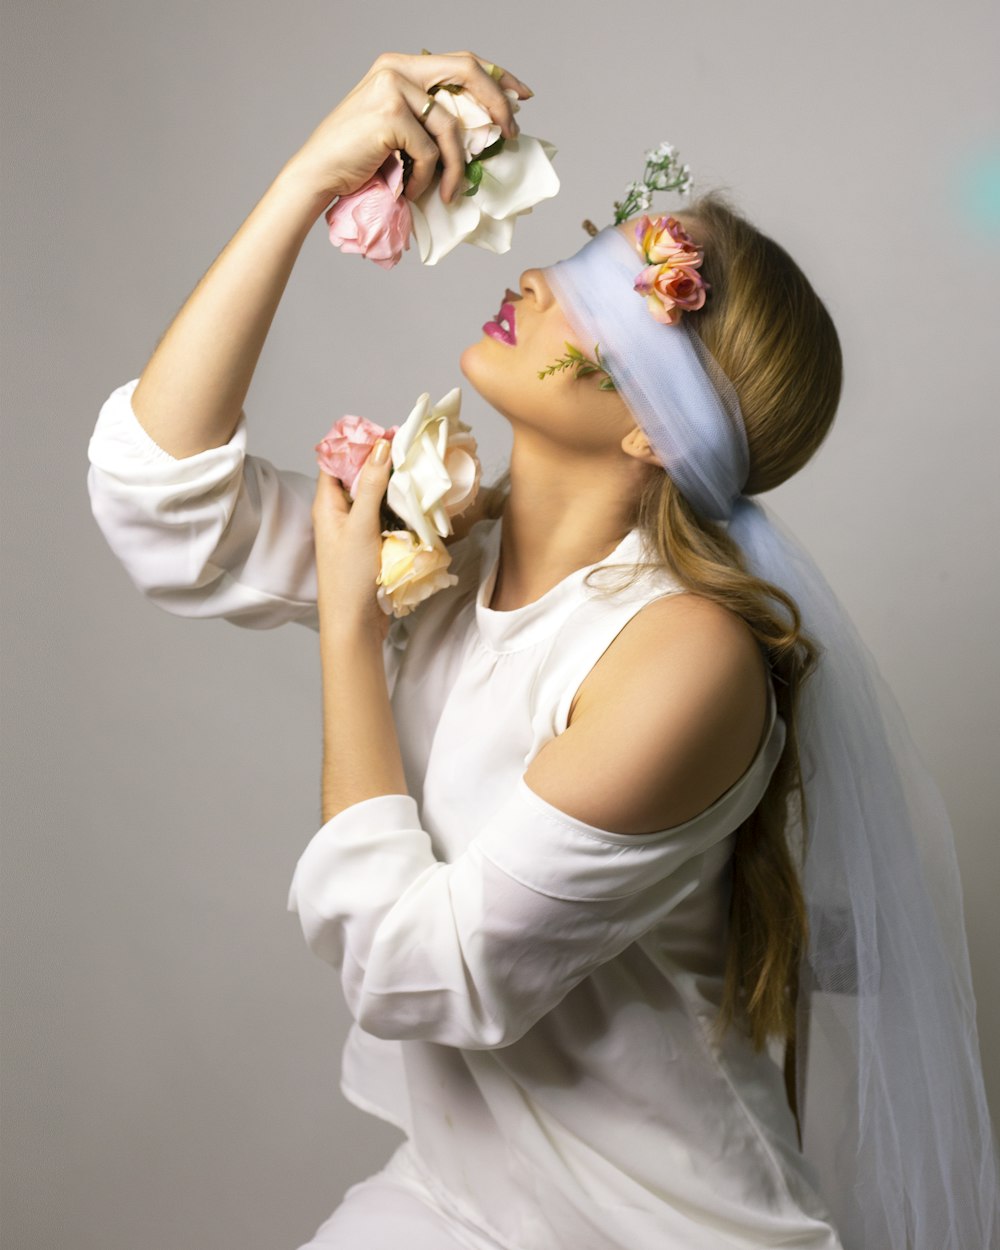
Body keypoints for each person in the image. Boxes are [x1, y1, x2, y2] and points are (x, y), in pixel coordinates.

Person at [87, 50, 998, 1250]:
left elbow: (422, 973)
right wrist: (311, 179)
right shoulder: (450, 542)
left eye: (612, 295)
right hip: (458, 1196)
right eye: (577, 257)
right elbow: (163, 503)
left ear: (654, 429)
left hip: (655, 1231)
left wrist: (353, 638)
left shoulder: (681, 658)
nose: (532, 274)